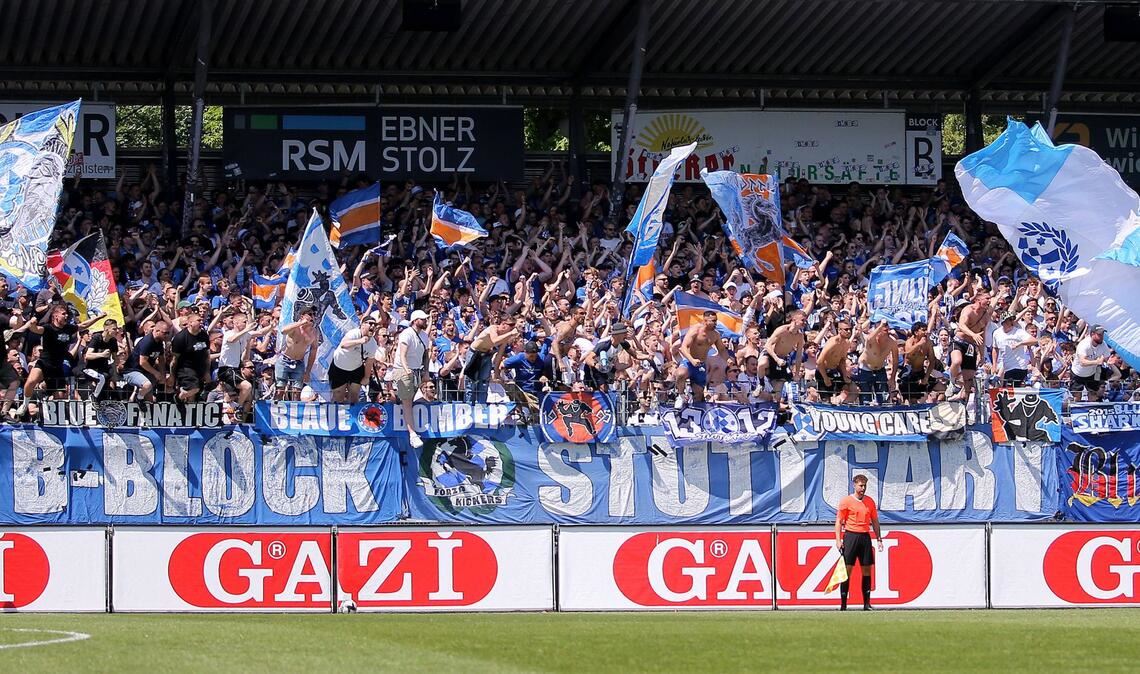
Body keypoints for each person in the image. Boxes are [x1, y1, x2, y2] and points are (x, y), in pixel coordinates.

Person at [11, 304, 103, 419]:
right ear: (55, 315)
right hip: (44, 363)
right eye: (63, 314)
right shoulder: (48, 328)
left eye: (66, 314)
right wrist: (32, 323)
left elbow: (83, 325)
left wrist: (99, 317)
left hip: (58, 366)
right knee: (30, 382)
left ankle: (52, 416)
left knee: (60, 395)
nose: (66, 316)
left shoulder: (69, 328)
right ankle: (25, 404)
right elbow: (35, 329)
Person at [834, 474, 884, 611]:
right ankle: (843, 604)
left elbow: (874, 521)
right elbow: (838, 521)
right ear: (854, 485)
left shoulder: (870, 502)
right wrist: (838, 540)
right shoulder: (846, 501)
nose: (863, 488)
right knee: (847, 570)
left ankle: (866, 604)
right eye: (861, 485)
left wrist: (879, 538)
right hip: (851, 536)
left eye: (865, 486)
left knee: (867, 570)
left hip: (865, 537)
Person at [394, 310, 431, 447]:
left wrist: (426, 371)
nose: (425, 321)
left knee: (409, 400)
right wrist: (406, 369)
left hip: (416, 370)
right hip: (402, 369)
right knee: (407, 401)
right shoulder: (407, 334)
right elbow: (402, 354)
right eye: (423, 319)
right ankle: (412, 434)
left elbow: (426, 355)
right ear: (415, 320)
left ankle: (409, 428)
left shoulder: (424, 336)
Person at [465, 314, 519, 404]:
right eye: (511, 325)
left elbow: (499, 354)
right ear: (504, 324)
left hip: (486, 355)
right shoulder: (493, 328)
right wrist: (511, 333)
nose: (512, 328)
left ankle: (481, 405)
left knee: (484, 383)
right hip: (474, 353)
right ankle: (469, 405)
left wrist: (497, 371)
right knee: (472, 382)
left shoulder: (505, 336)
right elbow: (495, 340)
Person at [677, 310, 727, 403]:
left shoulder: (715, 334)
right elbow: (684, 347)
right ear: (705, 320)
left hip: (701, 365)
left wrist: (726, 362)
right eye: (713, 321)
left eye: (716, 320)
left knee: (699, 394)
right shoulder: (695, 330)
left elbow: (722, 350)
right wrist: (692, 360)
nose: (715, 323)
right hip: (689, 361)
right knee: (681, 374)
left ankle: (695, 413)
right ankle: (680, 395)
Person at [329, 316, 380, 404]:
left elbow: (369, 362)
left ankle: (353, 416)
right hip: (339, 368)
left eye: (375, 325)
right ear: (363, 325)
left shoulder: (373, 344)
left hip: (356, 368)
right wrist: (360, 341)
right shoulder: (354, 333)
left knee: (354, 396)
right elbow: (343, 345)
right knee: (338, 396)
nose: (373, 326)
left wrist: (366, 377)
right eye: (370, 324)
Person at [950, 292, 989, 401]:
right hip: (959, 341)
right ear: (978, 300)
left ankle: (965, 406)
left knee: (969, 381)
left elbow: (982, 336)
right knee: (957, 361)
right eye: (987, 298)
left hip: (971, 346)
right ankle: (953, 382)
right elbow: (962, 325)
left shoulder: (985, 316)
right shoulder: (968, 309)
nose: (989, 301)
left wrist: (981, 354)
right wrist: (973, 334)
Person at [276, 306, 319, 400]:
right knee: (280, 390)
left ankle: (294, 412)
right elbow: (283, 331)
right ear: (302, 316)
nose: (312, 317)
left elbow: (313, 351)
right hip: (284, 360)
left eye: (314, 315)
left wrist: (308, 371)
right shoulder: (295, 327)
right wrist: (301, 323)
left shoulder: (314, 332)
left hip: (299, 362)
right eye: (310, 314)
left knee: (297, 392)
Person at [170, 309, 211, 403]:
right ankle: (178, 397)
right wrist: (172, 375)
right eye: (198, 320)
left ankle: (188, 414)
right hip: (185, 369)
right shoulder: (180, 338)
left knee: (193, 396)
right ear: (190, 323)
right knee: (194, 388)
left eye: (201, 320)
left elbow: (207, 355)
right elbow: (174, 359)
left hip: (199, 368)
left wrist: (207, 372)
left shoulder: (204, 335)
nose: (201, 322)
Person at [765, 309, 807, 398]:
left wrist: (796, 374)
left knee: (777, 392)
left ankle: (775, 406)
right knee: (762, 364)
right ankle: (760, 383)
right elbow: (768, 345)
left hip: (783, 360)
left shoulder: (800, 336)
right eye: (802, 320)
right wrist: (776, 359)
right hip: (771, 355)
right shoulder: (782, 330)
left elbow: (799, 356)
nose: (804, 322)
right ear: (794, 319)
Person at [856, 321, 899, 405]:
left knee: (883, 397)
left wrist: (893, 378)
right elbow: (868, 339)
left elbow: (895, 360)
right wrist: (880, 326)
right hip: (865, 369)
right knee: (866, 398)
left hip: (880, 369)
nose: (886, 331)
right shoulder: (871, 340)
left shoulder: (892, 342)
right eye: (883, 329)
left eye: (887, 329)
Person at [1071, 324, 1114, 402]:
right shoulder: (1084, 345)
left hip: (1092, 373)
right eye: (1099, 334)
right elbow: (1082, 362)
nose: (1101, 336)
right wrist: (1096, 361)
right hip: (1078, 373)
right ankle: (1075, 412)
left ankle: (1092, 411)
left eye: (1102, 334)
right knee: (1077, 395)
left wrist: (1103, 360)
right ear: (1092, 334)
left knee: (1093, 394)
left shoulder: (1103, 345)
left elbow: (1107, 357)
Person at [815, 320, 855, 404]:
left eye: (850, 329)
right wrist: (825, 377)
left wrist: (844, 375)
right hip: (823, 371)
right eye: (846, 329)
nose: (849, 331)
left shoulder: (846, 343)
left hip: (835, 370)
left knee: (852, 388)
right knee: (826, 400)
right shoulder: (833, 342)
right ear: (839, 330)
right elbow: (819, 361)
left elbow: (842, 360)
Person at [992, 312, 1036, 386]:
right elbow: (995, 348)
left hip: (1019, 367)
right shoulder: (997, 333)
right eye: (1009, 320)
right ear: (1004, 321)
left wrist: (1019, 344)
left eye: (1012, 319)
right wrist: (994, 364)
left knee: (1012, 388)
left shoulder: (1018, 332)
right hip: (1006, 367)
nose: (1012, 321)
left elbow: (1034, 340)